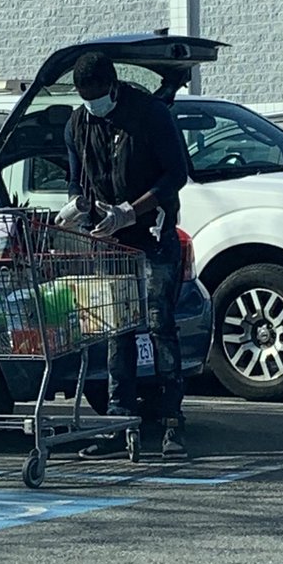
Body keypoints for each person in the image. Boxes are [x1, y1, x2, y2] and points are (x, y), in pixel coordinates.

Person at [55, 51, 189, 459]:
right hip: (110, 242)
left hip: (150, 235)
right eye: (84, 96)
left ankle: (170, 423)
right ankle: (119, 421)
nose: (92, 104)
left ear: (113, 86)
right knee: (118, 330)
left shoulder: (149, 115)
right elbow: (77, 178)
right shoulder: (79, 122)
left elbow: (176, 174)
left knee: (159, 326)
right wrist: (79, 207)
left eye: (96, 95)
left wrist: (130, 211)